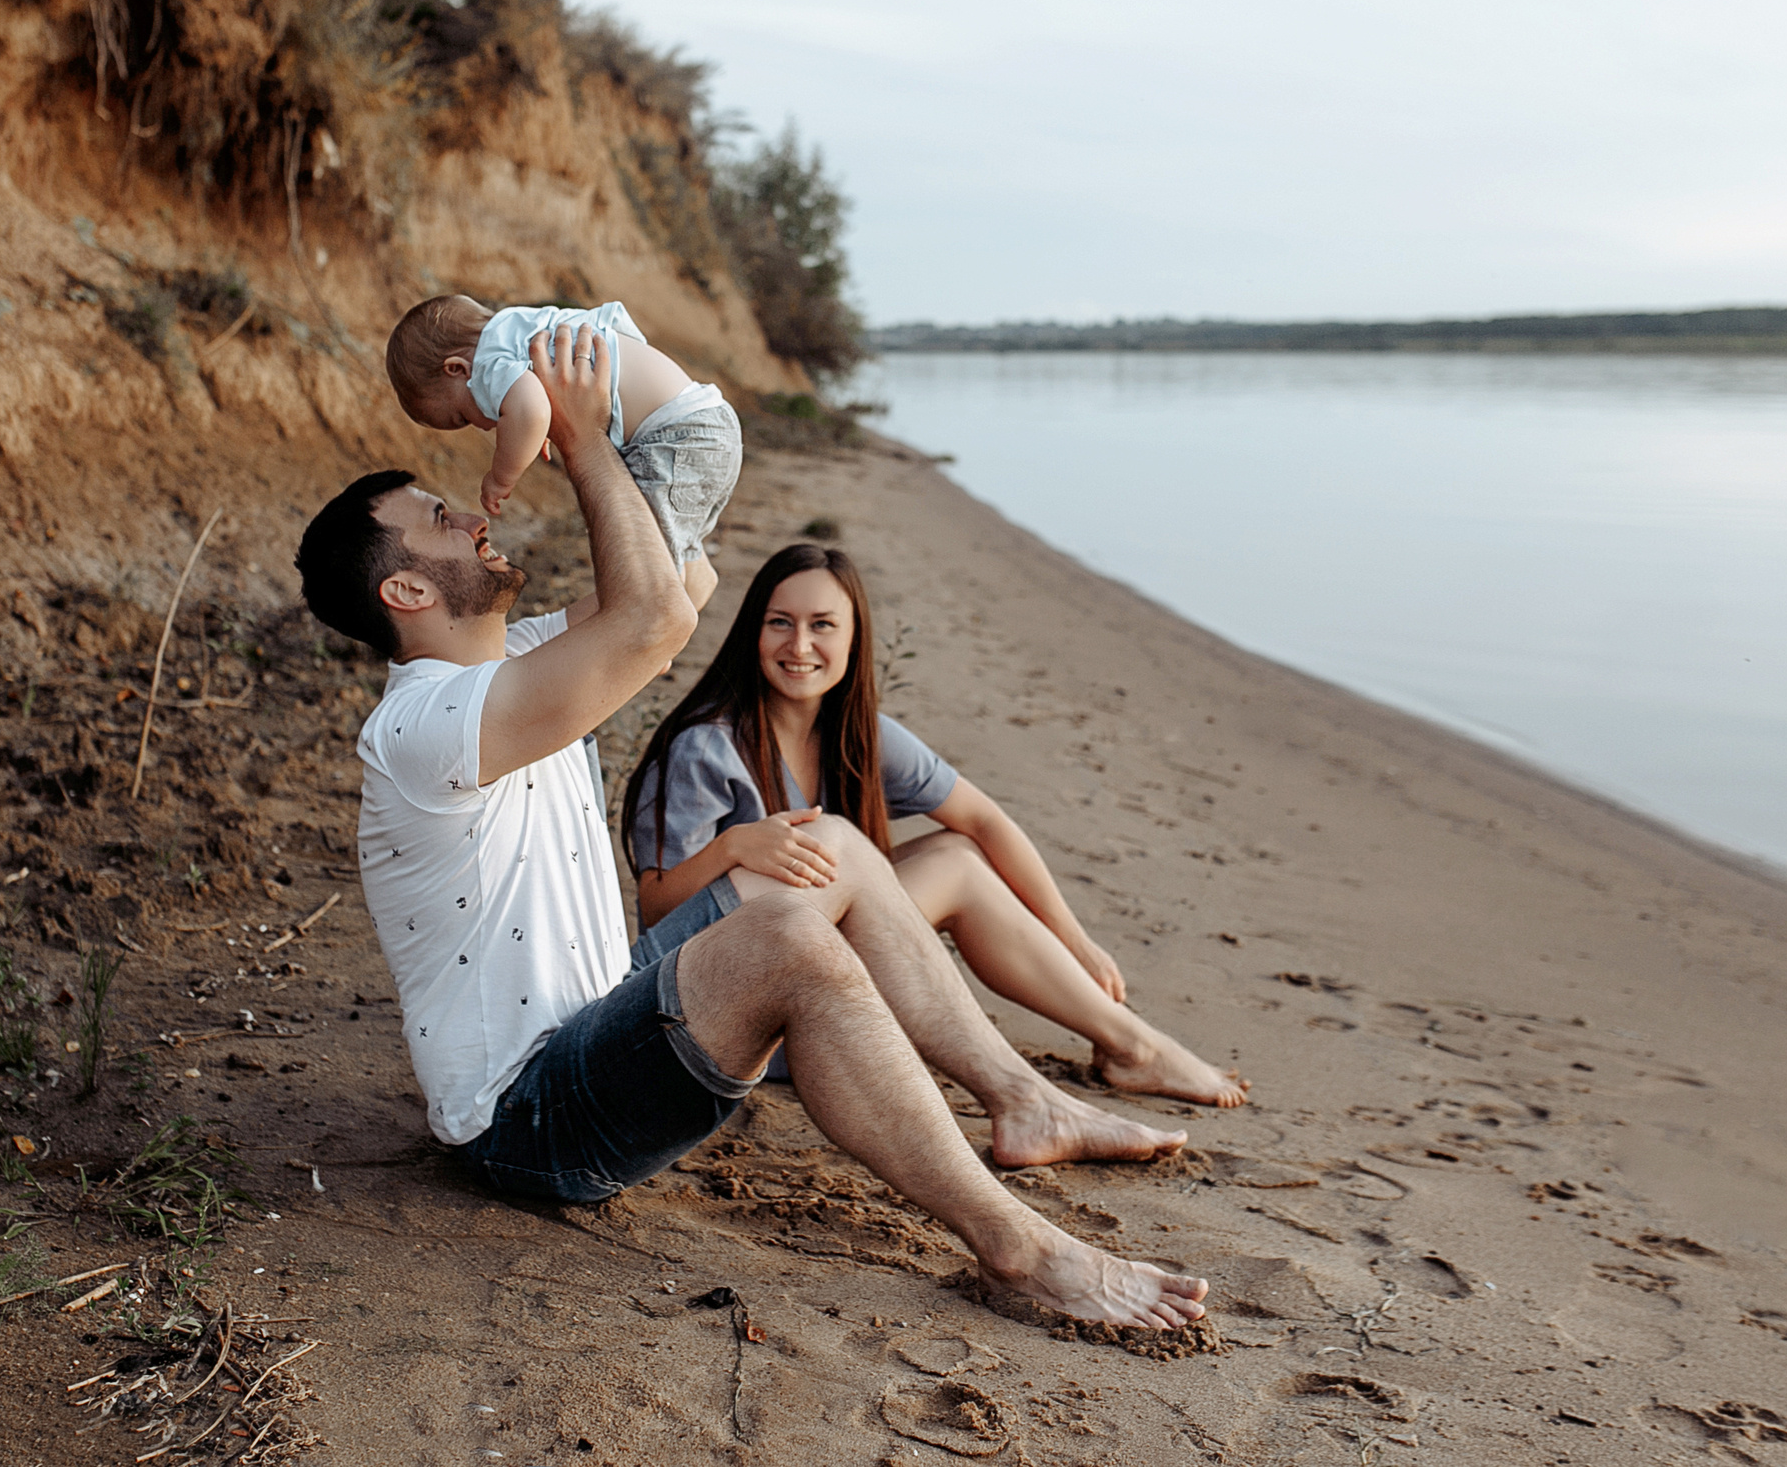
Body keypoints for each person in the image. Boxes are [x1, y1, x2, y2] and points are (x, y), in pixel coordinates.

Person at [296, 319, 1206, 1330]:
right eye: (437, 518)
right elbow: (653, 622)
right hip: (528, 1119)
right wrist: (589, 448)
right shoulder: (420, 724)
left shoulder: (524, 662)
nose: (470, 514)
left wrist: (645, 429)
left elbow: (684, 582)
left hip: (604, 1013)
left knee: (835, 848)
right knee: (785, 939)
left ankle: (1020, 1096)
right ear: (406, 589)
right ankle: (1020, 1245)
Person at [625, 544, 1250, 1109]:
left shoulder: (858, 737)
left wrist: (1075, 942)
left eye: (823, 626)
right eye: (780, 623)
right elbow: (656, 910)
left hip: (824, 976)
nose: (799, 646)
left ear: (854, 637)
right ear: (752, 631)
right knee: (950, 865)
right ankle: (1133, 1048)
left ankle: (1126, 1043)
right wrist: (735, 845)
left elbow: (983, 818)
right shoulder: (707, 745)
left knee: (957, 848)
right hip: (736, 1002)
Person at [386, 294, 739, 613]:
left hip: (673, 436)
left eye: (462, 416)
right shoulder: (523, 326)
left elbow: (531, 412)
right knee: (673, 534)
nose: (482, 425)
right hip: (706, 416)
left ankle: (656, 617)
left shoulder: (487, 361)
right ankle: (690, 584)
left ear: (457, 369)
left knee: (640, 548)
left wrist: (500, 477)